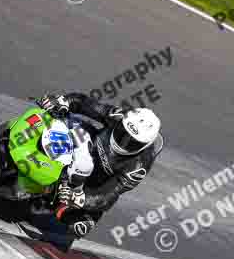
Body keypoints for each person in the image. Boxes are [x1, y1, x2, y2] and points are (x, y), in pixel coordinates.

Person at [36, 92, 163, 238]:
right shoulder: (119, 116)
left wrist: (82, 199)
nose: (124, 142)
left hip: (92, 186)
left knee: (77, 228)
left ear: (144, 146)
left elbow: (109, 194)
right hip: (85, 147)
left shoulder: (139, 166)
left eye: (132, 143)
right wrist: (65, 101)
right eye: (122, 133)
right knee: (59, 118)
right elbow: (84, 103)